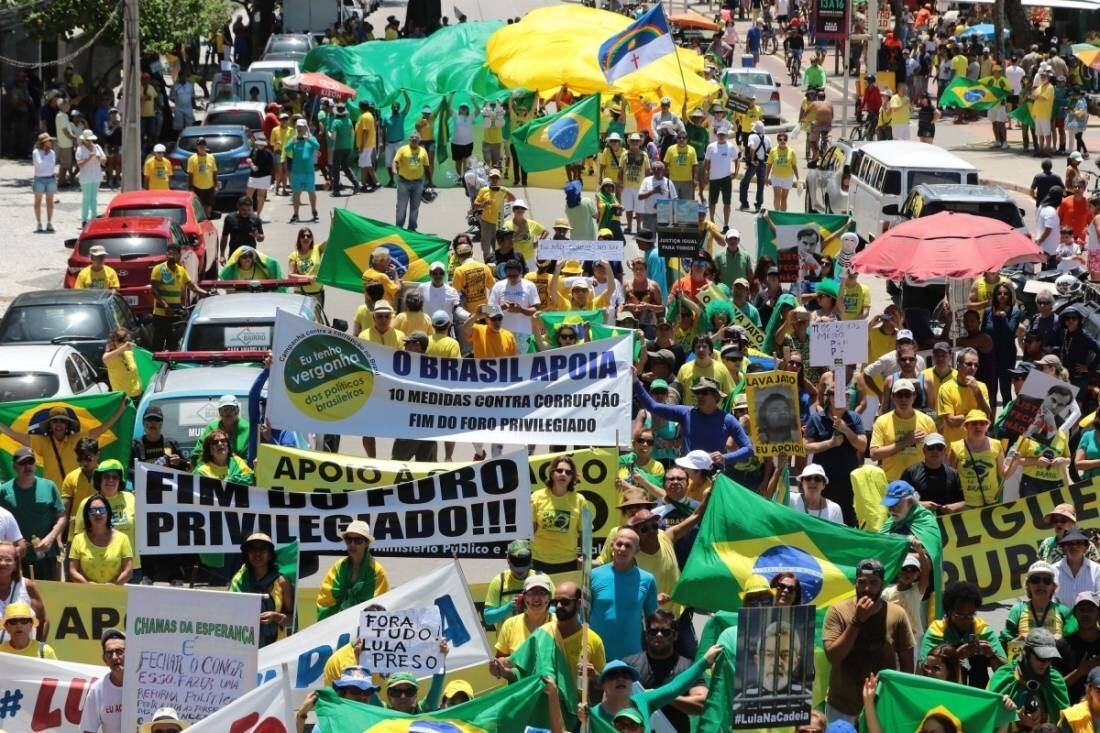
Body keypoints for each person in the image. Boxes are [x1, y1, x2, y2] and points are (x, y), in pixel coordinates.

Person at [823, 558, 915, 725]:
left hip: (882, 705)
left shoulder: (897, 614)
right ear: (855, 583)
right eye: (862, 582)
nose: (867, 589)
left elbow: (907, 666)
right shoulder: (838, 611)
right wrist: (856, 621)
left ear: (882, 584)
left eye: (873, 583)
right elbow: (833, 656)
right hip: (842, 707)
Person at [622, 609, 710, 733]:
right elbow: (610, 699)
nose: (659, 635)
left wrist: (662, 696)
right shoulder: (629, 665)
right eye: (653, 631)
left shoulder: (687, 667)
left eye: (665, 631)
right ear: (646, 635)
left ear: (675, 636)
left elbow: (702, 703)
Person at [632, 374, 754, 464]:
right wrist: (636, 381)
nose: (699, 396)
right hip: (687, 474)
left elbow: (748, 448)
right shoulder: (686, 413)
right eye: (697, 392)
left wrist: (725, 458)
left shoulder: (728, 420)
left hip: (714, 476)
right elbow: (653, 406)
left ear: (716, 397)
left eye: (705, 392)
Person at [590, 527, 659, 662]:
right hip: (597, 654)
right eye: (619, 544)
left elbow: (653, 622)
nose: (622, 549)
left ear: (636, 551)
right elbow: (583, 615)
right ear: (612, 546)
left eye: (628, 546)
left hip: (633, 657)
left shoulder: (647, 579)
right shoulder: (593, 575)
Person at [921, 581, 1006, 688]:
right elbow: (921, 670)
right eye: (960, 616)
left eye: (970, 615)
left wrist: (991, 655)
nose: (965, 620)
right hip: (945, 689)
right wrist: (956, 656)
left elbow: (1006, 671)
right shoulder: (937, 631)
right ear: (949, 612)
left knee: (978, 659)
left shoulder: (982, 630)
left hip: (978, 689)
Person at [0, 447, 66, 580]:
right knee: (20, 598)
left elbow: (61, 517)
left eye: (31, 462)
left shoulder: (49, 486)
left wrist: (51, 538)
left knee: (48, 597)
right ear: (14, 466)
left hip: (46, 555)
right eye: (23, 463)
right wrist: (11, 544)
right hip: (17, 558)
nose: (28, 466)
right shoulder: (4, 491)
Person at [988, 628, 1070, 730]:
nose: (1045, 663)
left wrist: (1044, 718)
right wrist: (1017, 722)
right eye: (1041, 657)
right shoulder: (1004, 676)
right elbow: (988, 719)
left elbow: (1065, 723)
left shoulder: (1055, 680)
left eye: (1049, 658)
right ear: (1027, 651)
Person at [530, 456, 592, 573]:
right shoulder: (536, 497)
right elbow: (530, 530)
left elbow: (586, 533)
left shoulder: (580, 500)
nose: (563, 474)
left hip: (568, 562)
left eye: (568, 472)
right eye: (559, 471)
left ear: (572, 477)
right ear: (552, 474)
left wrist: (585, 557)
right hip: (538, 561)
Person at [229, 532, 292, 648]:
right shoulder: (238, 581)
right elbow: (229, 615)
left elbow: (292, 619)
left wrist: (275, 616)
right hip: (245, 646)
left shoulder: (282, 582)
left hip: (276, 647)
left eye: (262, 549)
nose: (257, 553)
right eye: (252, 549)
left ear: (269, 555)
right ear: (247, 554)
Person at [870, 378, 938, 481]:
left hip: (920, 481)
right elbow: (874, 454)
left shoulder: (927, 421)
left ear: (914, 396)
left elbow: (936, 452)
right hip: (891, 481)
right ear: (892, 397)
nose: (903, 399)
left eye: (907, 395)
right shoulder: (882, 421)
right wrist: (905, 442)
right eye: (899, 395)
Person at [1002, 561, 1071, 659]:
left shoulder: (1064, 611)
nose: (1041, 584)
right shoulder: (1018, 610)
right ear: (1028, 585)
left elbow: (1073, 645)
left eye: (1046, 581)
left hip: (1055, 667)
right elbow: (1005, 644)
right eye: (1035, 580)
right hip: (1023, 666)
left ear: (1053, 587)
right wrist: (1018, 642)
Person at [67, 495, 133, 585]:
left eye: (102, 510)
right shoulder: (78, 539)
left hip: (115, 594)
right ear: (87, 514)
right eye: (93, 511)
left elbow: (128, 571)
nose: (98, 513)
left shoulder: (123, 538)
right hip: (87, 594)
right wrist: (87, 585)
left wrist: (114, 585)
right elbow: (72, 571)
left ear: (108, 513)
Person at [900, 433, 965, 516]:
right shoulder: (910, 472)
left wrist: (953, 507)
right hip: (919, 522)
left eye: (939, 448)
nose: (935, 451)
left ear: (945, 451)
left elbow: (964, 501)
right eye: (931, 448)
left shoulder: (953, 474)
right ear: (924, 450)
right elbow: (900, 500)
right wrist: (921, 505)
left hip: (948, 523)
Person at [494, 573, 553, 657]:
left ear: (549, 597)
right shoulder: (510, 625)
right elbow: (500, 660)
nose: (536, 598)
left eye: (542, 593)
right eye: (531, 593)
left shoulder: (559, 624)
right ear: (524, 597)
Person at [79, 629, 125, 733]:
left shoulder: (144, 685)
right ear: (104, 659)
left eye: (119, 651)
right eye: (109, 653)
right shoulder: (97, 690)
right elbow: (88, 729)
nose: (114, 657)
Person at [284, 119, 320, 224]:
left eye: (301, 126)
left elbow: (317, 146)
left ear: (305, 127)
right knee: (296, 194)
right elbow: (286, 149)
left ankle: (314, 211)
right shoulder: (294, 139)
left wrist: (309, 139)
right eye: (297, 127)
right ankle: (296, 214)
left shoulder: (310, 138)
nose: (299, 128)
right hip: (296, 172)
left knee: (311, 192)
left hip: (308, 172)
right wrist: (292, 142)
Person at [392, 132, 430, 231]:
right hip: (403, 182)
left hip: (418, 183)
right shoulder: (403, 149)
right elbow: (395, 161)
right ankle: (399, 228)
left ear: (419, 141)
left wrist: (429, 181)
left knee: (415, 207)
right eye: (412, 138)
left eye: (416, 139)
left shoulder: (423, 151)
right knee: (401, 206)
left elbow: (426, 166)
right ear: (409, 140)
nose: (414, 140)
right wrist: (394, 169)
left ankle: (412, 228)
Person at [1053, 530, 1100, 609]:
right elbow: (1051, 600)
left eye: (1078, 543)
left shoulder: (1097, 569)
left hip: (1091, 620)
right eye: (1069, 543)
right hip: (1063, 620)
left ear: (1086, 547)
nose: (1074, 546)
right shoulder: (1052, 571)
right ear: (1063, 547)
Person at [287, 227, 325, 306]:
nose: (306, 238)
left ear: (312, 238)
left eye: (308, 236)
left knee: (315, 318)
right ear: (299, 239)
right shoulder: (294, 255)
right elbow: (290, 275)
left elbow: (331, 240)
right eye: (303, 236)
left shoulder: (317, 249)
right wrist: (308, 278)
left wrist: (333, 224)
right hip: (300, 294)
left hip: (317, 293)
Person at [75, 129, 106, 227]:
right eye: (87, 140)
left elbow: (104, 160)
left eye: (90, 140)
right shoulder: (80, 149)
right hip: (86, 177)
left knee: (94, 198)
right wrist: (88, 158)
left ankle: (94, 217)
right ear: (83, 140)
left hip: (96, 175)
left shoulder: (97, 147)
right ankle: (84, 219)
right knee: (86, 198)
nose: (89, 142)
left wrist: (99, 158)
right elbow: (79, 164)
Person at [740, 121, 770, 213]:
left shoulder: (752, 137)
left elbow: (752, 148)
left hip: (754, 163)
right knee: (760, 185)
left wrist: (752, 160)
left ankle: (744, 203)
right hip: (763, 163)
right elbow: (769, 150)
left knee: (744, 182)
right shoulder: (767, 138)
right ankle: (758, 205)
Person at [766, 131, 798, 212]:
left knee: (784, 197)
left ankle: (783, 214)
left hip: (788, 177)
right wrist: (766, 177)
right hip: (776, 176)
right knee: (777, 195)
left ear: (787, 140)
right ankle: (777, 212)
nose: (782, 141)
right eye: (780, 139)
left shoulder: (791, 151)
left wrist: (798, 179)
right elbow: (769, 164)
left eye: (785, 139)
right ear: (777, 141)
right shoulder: (773, 151)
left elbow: (794, 165)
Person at [32, 132, 57, 233]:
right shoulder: (36, 152)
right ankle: (39, 223)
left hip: (50, 178)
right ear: (44, 142)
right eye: (49, 141)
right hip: (39, 179)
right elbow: (39, 164)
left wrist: (46, 158)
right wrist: (46, 155)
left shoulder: (52, 152)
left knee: (50, 201)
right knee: (38, 201)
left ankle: (49, 222)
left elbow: (51, 166)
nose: (51, 142)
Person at [186, 136, 216, 218]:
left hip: (209, 186)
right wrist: (190, 186)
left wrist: (215, 185)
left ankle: (207, 218)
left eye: (203, 145)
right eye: (199, 146)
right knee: (198, 206)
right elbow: (190, 174)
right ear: (197, 147)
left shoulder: (211, 157)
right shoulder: (192, 159)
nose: (201, 147)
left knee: (209, 204)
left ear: (206, 146)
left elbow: (214, 172)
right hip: (197, 186)